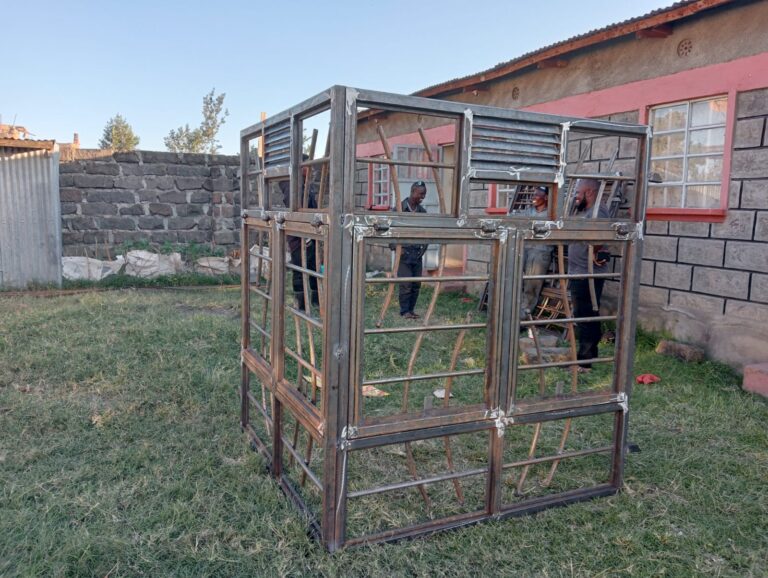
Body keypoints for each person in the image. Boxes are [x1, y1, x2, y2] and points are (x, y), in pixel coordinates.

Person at [568, 179, 611, 372]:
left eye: (578, 193)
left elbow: (602, 236)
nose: (576, 196)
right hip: (579, 272)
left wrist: (596, 252)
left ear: (589, 192)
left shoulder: (598, 212)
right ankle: (590, 355)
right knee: (586, 314)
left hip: (588, 274)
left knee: (585, 316)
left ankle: (584, 363)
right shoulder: (586, 212)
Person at [520, 187, 553, 323]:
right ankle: (511, 312)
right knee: (514, 278)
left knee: (531, 285)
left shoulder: (552, 213)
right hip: (525, 248)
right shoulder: (528, 212)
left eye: (538, 194)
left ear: (545, 197)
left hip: (541, 250)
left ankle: (523, 317)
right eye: (533, 194)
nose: (534, 197)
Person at [396, 181, 428, 319]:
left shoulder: (423, 212)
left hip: (417, 254)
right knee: (406, 284)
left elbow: (428, 232)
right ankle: (404, 311)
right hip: (404, 254)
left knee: (416, 284)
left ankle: (411, 310)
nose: (423, 197)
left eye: (424, 194)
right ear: (413, 191)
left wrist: (424, 248)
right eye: (420, 193)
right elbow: (390, 231)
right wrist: (397, 248)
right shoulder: (399, 209)